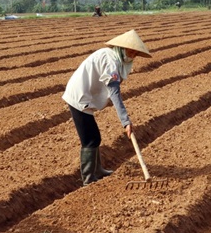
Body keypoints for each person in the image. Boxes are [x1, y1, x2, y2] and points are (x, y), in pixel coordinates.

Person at [63, 29, 152, 185]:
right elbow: (114, 93)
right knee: (90, 139)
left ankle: (97, 170)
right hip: (79, 96)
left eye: (136, 53)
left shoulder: (115, 58)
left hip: (86, 94)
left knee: (94, 137)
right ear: (122, 48)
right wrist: (125, 121)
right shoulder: (110, 61)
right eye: (131, 51)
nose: (133, 55)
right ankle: (89, 178)